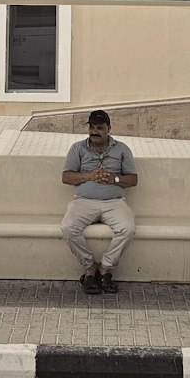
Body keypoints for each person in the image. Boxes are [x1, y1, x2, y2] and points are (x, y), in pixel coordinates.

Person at [61, 109, 138, 294]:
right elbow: (66, 177)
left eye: (100, 128)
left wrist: (114, 179)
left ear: (108, 128)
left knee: (127, 229)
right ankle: (89, 268)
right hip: (84, 201)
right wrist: (90, 175)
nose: (95, 131)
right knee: (68, 228)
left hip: (114, 202)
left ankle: (105, 268)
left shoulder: (122, 149)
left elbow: (133, 180)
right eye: (92, 127)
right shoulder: (77, 148)